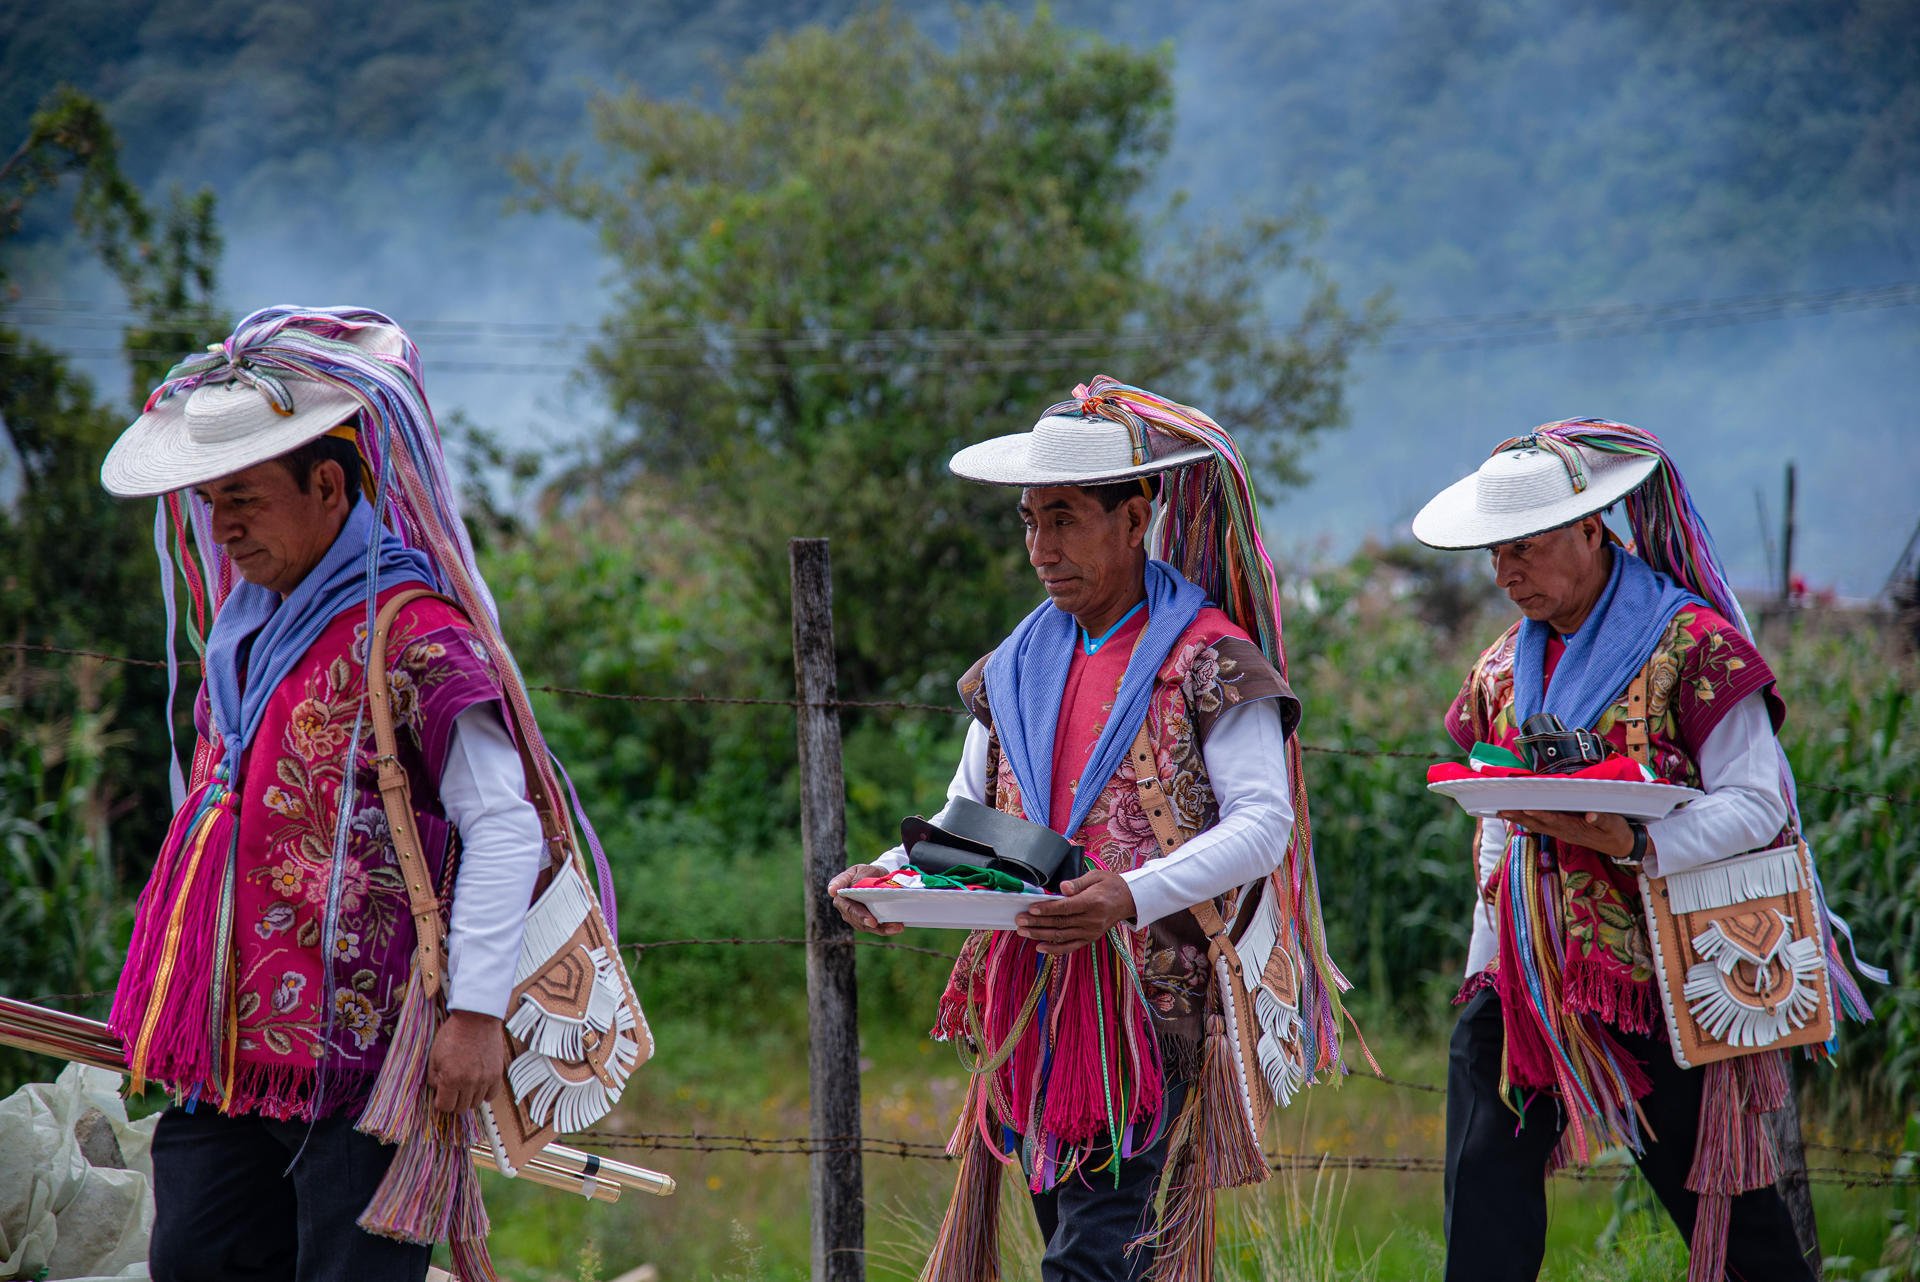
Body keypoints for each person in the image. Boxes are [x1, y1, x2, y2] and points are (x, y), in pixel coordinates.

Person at [831, 377, 1357, 1282]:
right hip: (1034, 1000)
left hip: (1153, 1006)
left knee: (1090, 1257)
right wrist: (885, 878)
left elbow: (1264, 824)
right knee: (1093, 1249)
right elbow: (968, 820)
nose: (1042, 548)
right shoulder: (1017, 665)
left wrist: (1128, 896)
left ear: (1135, 516)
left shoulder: (1211, 661)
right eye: (1031, 522)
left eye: (1065, 519)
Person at [99, 308, 554, 1282]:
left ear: (329, 484)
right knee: (192, 1262)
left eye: (246, 498)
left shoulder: (417, 635)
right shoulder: (242, 633)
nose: (223, 526)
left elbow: (504, 824)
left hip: (363, 1067)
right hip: (222, 1059)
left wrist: (475, 1013)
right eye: (210, 500)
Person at [1411, 419, 1878, 1282]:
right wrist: (1485, 966)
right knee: (1485, 1181)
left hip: (1659, 971)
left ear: (1593, 528)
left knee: (1723, 1206)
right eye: (1494, 553)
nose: (1508, 571)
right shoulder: (1503, 670)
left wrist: (1638, 841)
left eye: (1528, 546)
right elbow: (1498, 826)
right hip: (1526, 977)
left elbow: (1759, 801)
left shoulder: (1690, 645)